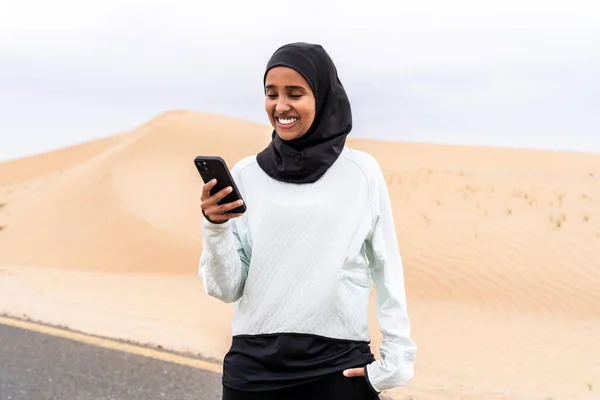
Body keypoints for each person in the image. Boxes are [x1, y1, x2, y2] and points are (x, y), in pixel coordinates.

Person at [199, 42, 416, 400]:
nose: (280, 106)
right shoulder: (246, 175)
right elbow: (226, 289)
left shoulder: (361, 172)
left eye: (295, 93)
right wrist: (215, 226)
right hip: (253, 374)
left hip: (336, 368)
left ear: (323, 96)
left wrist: (394, 365)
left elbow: (387, 268)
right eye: (272, 94)